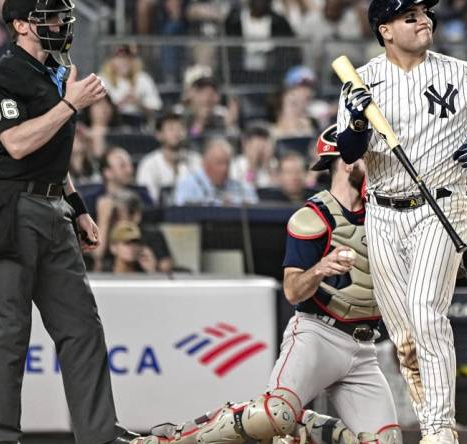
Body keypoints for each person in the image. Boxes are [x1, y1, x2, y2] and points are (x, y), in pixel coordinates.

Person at [130, 125, 403, 444]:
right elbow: (292, 290)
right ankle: (175, 439)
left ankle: (312, 427)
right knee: (276, 413)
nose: (377, 166)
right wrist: (320, 269)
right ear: (346, 161)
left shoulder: (386, 214)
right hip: (319, 334)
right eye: (368, 158)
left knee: (386, 442)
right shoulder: (314, 216)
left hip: (364, 347)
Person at [335, 2, 467, 442]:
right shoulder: (362, 80)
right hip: (382, 210)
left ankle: (439, 431)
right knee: (403, 337)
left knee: (426, 312)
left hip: (441, 204)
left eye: (425, 14)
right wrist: (359, 117)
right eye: (410, 16)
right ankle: (431, 421)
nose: (425, 21)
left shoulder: (461, 72)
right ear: (386, 30)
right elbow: (348, 151)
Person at [0, 0, 134, 442]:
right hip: (11, 210)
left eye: (62, 16)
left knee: (82, 327)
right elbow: (18, 144)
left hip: (54, 209)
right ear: (21, 25)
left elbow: (53, 156)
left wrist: (78, 207)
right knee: (8, 331)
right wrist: (69, 105)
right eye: (50, 18)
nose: (61, 24)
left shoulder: (55, 73)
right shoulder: (4, 75)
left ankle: (98, 434)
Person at [136, 112, 201, 203]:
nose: (177, 133)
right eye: (171, 129)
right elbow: (149, 199)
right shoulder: (149, 164)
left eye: (180, 128)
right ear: (159, 135)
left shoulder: (196, 160)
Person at [174, 137, 258, 206]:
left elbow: (252, 199)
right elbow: (181, 211)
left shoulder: (236, 185)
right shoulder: (187, 185)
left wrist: (235, 202)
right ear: (205, 164)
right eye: (220, 163)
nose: (225, 168)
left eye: (227, 163)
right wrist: (220, 203)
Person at [99, 45, 162, 125]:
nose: (123, 62)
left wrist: (138, 102)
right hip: (111, 124)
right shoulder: (102, 80)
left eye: (127, 58)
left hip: (139, 122)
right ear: (111, 61)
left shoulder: (143, 79)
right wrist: (120, 103)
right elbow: (94, 111)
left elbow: (156, 108)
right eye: (119, 58)